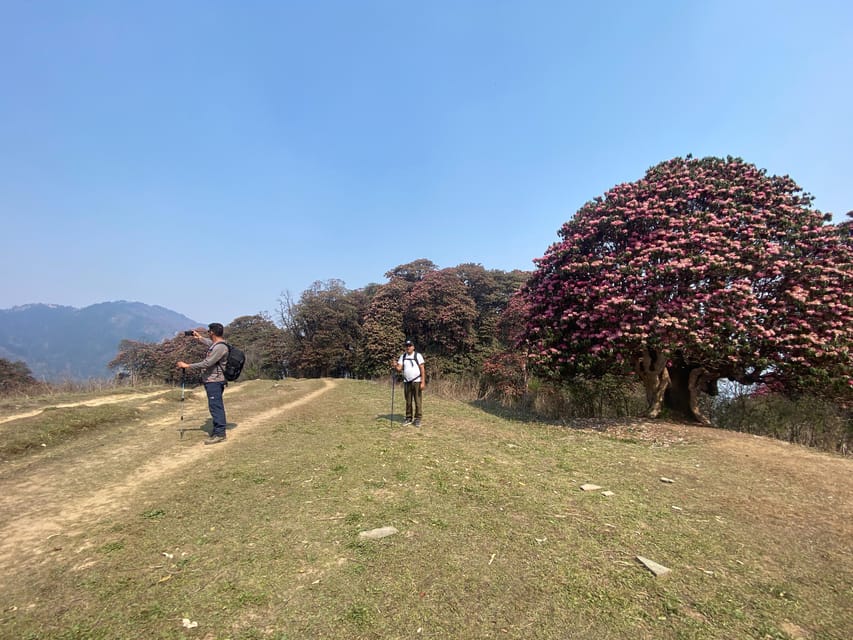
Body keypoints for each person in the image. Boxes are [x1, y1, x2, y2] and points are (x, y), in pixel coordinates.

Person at [177, 323, 229, 445]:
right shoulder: (218, 345)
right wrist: (199, 338)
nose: (208, 333)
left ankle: (220, 433)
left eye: (209, 331)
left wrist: (188, 366)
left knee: (216, 407)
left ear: (212, 333)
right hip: (212, 380)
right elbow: (210, 344)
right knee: (214, 406)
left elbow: (207, 363)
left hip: (215, 381)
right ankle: (217, 431)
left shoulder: (220, 347)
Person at [394, 339, 426, 427]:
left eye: (410, 346)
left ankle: (418, 419)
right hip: (407, 381)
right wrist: (395, 365)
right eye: (407, 346)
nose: (408, 347)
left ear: (413, 347)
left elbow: (422, 369)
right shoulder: (403, 356)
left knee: (417, 400)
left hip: (417, 381)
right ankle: (408, 418)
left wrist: (423, 382)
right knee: (408, 401)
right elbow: (399, 369)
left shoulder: (418, 356)